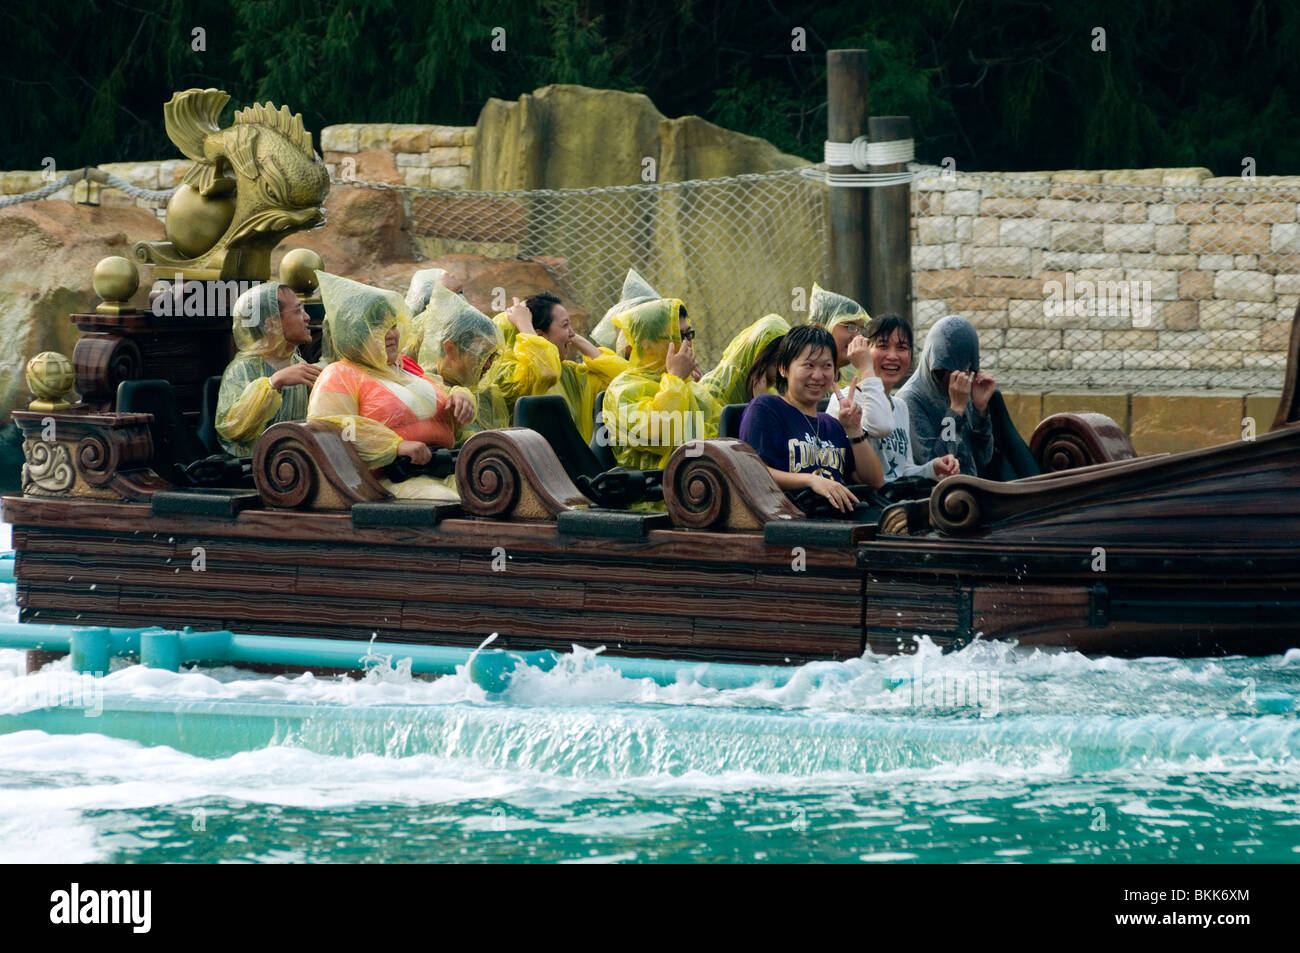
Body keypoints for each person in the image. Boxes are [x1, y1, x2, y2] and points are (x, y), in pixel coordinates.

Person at [307, 271, 475, 501]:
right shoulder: (340, 373)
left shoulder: (405, 367)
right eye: (378, 327)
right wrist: (395, 446)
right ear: (354, 335)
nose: (390, 334)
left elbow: (439, 400)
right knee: (454, 503)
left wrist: (458, 398)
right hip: (383, 484)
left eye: (392, 324)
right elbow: (330, 431)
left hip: (442, 468)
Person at [738, 325, 884, 513]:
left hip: (837, 521)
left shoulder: (833, 425)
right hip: (786, 523)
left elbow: (874, 481)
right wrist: (811, 481)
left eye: (826, 366)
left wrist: (854, 429)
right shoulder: (766, 408)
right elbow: (752, 473)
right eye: (808, 365)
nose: (817, 375)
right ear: (783, 368)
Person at [826, 314, 960, 485]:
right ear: (864, 350)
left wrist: (932, 468)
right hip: (866, 502)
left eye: (902, 348)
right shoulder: (844, 401)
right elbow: (881, 427)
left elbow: (902, 471)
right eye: (882, 346)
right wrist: (866, 369)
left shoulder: (900, 406)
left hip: (897, 499)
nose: (892, 356)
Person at [601, 297, 721, 472]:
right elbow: (658, 435)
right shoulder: (623, 389)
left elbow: (720, 433)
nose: (688, 344)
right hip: (655, 494)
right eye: (679, 336)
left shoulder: (689, 387)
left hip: (701, 484)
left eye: (689, 334)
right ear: (647, 345)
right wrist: (675, 378)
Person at [493, 292, 629, 442]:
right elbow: (545, 373)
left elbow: (622, 382)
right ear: (538, 335)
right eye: (565, 325)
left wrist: (576, 339)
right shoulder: (506, 376)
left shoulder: (568, 373)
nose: (572, 333)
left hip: (572, 463)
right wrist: (526, 326)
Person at [215, 281, 320, 457]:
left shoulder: (299, 363)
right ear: (271, 323)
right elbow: (233, 429)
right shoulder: (242, 368)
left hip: (299, 461)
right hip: (253, 469)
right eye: (298, 310)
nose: (307, 317)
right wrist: (273, 383)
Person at [897, 314, 995, 479]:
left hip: (971, 486)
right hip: (936, 496)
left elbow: (984, 457)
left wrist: (980, 410)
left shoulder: (962, 391)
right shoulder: (910, 400)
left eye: (965, 370)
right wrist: (955, 410)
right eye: (945, 369)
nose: (955, 376)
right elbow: (937, 466)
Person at [417, 284, 506, 444]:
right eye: (481, 356)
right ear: (451, 349)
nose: (487, 366)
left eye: (492, 357)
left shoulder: (487, 394)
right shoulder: (423, 387)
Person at [700, 313, 790, 409]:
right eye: (778, 363)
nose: (784, 372)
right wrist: (759, 404)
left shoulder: (769, 392)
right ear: (760, 357)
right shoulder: (713, 390)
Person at [806, 282, 874, 385]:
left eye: (860, 330)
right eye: (849, 326)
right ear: (819, 327)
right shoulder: (802, 383)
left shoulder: (849, 383)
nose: (857, 337)